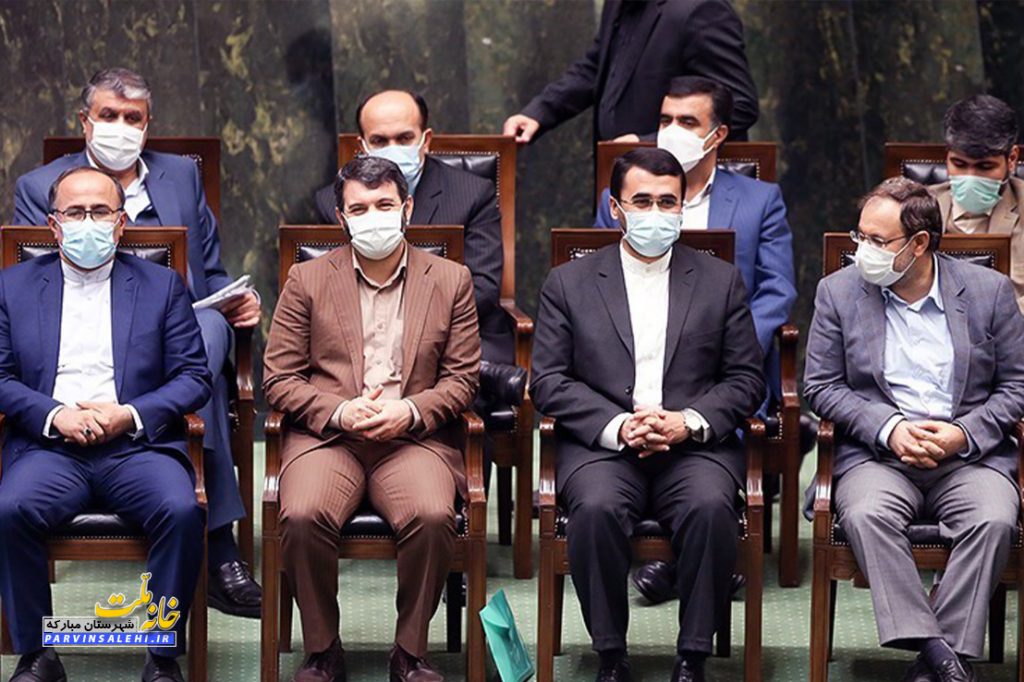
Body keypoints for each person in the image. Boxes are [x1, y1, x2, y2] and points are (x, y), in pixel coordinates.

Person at [11, 67, 261, 617]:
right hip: (84, 342)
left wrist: (238, 299)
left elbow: (210, 270)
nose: (120, 127)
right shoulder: (40, 186)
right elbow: (32, 286)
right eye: (108, 115)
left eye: (133, 118)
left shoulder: (181, 176)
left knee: (207, 335)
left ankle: (213, 540)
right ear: (85, 121)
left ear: (148, 125)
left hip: (178, 329)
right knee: (200, 359)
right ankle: (216, 538)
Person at [530, 147, 765, 682]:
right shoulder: (569, 283)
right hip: (604, 447)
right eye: (642, 201)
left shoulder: (720, 280)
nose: (655, 213)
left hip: (694, 448)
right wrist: (619, 426)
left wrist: (688, 421)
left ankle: (693, 656)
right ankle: (611, 654)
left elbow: (746, 379)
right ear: (616, 208)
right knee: (595, 511)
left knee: (710, 508)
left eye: (667, 202)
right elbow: (547, 380)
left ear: (683, 207)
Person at [264, 156, 480, 682]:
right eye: (359, 209)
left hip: (412, 439)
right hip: (329, 438)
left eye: (384, 204)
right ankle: (323, 649)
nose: (373, 217)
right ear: (341, 218)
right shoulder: (307, 278)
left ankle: (409, 652)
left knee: (432, 515)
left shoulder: (450, 279)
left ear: (407, 209)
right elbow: (279, 378)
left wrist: (410, 411)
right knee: (301, 514)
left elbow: (462, 380)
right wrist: (340, 410)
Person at [804, 177, 1024, 682]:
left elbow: (1017, 385)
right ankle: (941, 654)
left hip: (968, 456)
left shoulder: (988, 292)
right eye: (860, 236)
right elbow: (820, 386)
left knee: (994, 519)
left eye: (878, 241)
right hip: (878, 455)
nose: (863, 250)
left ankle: (936, 661)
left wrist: (963, 434)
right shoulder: (838, 292)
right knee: (866, 514)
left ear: (920, 243)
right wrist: (889, 427)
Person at [0, 167, 212, 682]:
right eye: (75, 212)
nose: (88, 222)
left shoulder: (162, 285)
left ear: (121, 223)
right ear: (54, 224)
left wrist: (129, 415)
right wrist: (56, 415)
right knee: (9, 510)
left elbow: (194, 376)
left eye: (100, 211)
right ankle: (38, 654)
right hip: (50, 447)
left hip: (136, 447)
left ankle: (160, 654)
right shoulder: (13, 286)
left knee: (182, 510)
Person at [595, 74, 795, 604]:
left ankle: (678, 562)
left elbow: (777, 290)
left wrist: (725, 348)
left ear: (718, 134)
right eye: (665, 119)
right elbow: (602, 288)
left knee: (706, 455)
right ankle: (694, 560)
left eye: (688, 121)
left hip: (725, 371)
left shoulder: (759, 201)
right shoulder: (621, 199)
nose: (671, 131)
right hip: (638, 371)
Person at [314, 89, 512, 364]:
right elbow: (332, 289)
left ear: (425, 140)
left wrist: (412, 335)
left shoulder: (473, 194)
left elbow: (482, 289)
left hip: (454, 337)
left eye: (404, 138)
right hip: (365, 340)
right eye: (379, 141)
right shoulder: (331, 203)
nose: (393, 148)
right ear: (362, 146)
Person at [502, 0, 758, 144]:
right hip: (619, 185)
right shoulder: (619, 3)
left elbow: (740, 106)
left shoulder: (704, 9)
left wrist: (649, 143)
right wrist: (540, 112)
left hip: (682, 196)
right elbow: (596, 66)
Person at [930, 94, 1024, 312]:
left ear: (1011, 159)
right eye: (959, 164)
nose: (970, 177)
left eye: (984, 167)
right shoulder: (914, 207)